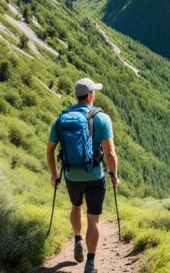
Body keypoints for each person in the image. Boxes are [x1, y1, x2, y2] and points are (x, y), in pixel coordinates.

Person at [47, 78, 120, 273]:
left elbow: (50, 150)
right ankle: (90, 263)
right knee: (93, 219)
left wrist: (54, 175)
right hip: (95, 176)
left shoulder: (61, 119)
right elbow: (111, 154)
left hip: (72, 176)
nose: (95, 94)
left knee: (76, 206)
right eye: (94, 91)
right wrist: (114, 175)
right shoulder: (102, 118)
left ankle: (78, 239)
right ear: (90, 95)